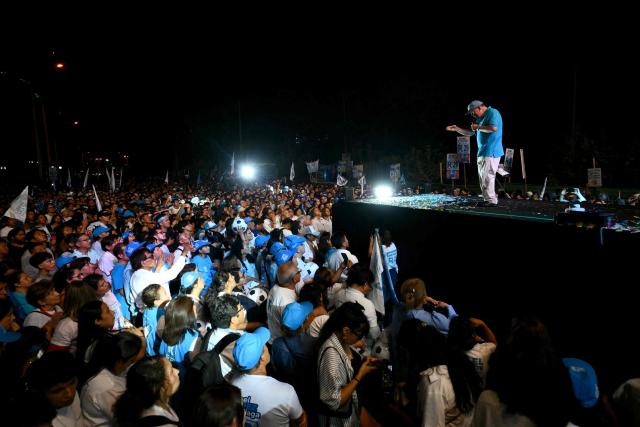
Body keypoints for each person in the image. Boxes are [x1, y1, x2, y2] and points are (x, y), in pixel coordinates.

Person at [446, 100, 504, 207]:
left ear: (480, 108)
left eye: (473, 112)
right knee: (483, 177)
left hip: (491, 151)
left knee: (488, 176)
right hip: (483, 152)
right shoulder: (480, 118)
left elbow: (493, 128)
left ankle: (491, 201)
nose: (472, 115)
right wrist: (457, 129)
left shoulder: (493, 112)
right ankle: (488, 199)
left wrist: (478, 127)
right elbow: (471, 133)